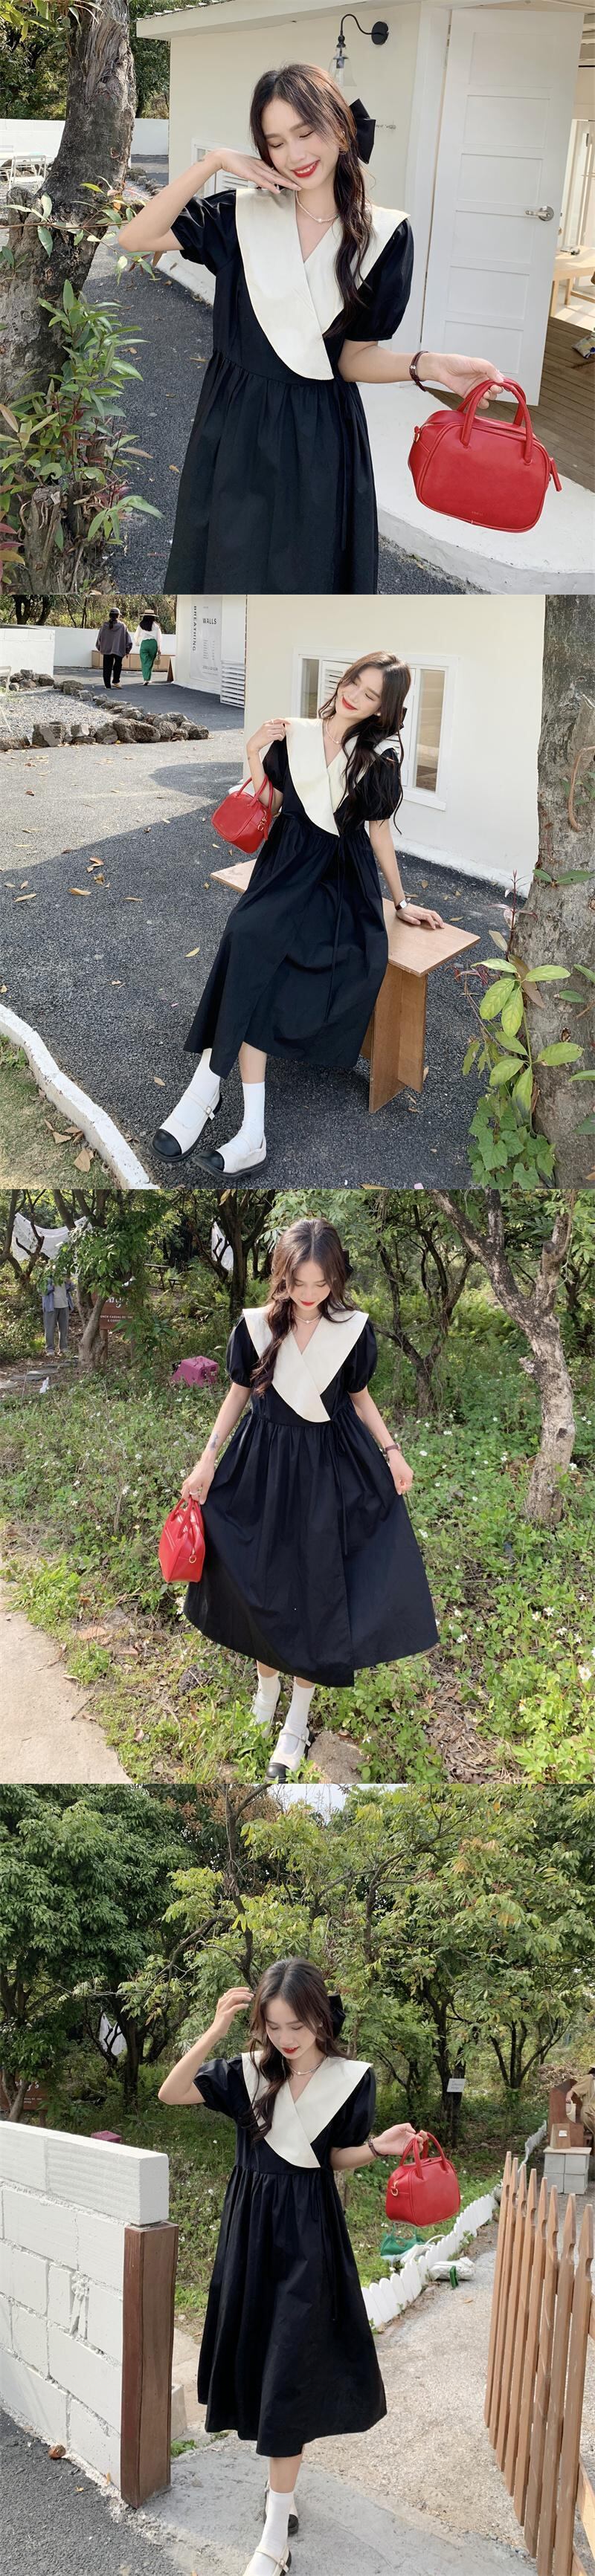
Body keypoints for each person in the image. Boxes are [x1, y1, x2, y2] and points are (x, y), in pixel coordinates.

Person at [118, 62, 504, 595]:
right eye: (276, 142)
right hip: (235, 421)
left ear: (342, 130)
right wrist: (214, 163)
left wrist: (429, 366)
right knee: (227, 569)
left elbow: (353, 358)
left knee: (307, 576)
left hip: (320, 431)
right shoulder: (240, 216)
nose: (294, 154)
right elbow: (135, 238)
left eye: (306, 132)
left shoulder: (384, 235)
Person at [158, 1956, 417, 2576]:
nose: (285, 2038)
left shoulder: (351, 2080)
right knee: (261, 2362)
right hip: (250, 2233)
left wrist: (376, 2147)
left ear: (321, 2016)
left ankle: (275, 2536)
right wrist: (216, 2029)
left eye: (296, 2025)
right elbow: (171, 2092)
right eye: (273, 2026)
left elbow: (330, 2156)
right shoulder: (249, 2072)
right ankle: (284, 2493)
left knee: (291, 2369)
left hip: (309, 2238)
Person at [152, 652, 445, 1174]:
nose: (355, 695)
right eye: (355, 681)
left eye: (371, 695)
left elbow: (378, 833)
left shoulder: (377, 759)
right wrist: (252, 751)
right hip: (285, 865)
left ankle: (211, 1096)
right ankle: (239, 1120)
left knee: (264, 959)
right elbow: (270, 805)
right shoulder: (295, 735)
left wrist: (401, 903)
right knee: (247, 934)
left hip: (339, 881)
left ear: (383, 709)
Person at [177, 1216, 438, 1780]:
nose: (311, 1294)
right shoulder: (255, 1327)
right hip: (263, 1468)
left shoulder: (352, 1330)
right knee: (261, 1581)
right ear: (282, 1275)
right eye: (300, 1283)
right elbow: (238, 1394)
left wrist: (393, 1452)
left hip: (328, 1471)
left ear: (336, 1277)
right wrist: (207, 1458)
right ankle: (265, 1693)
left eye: (322, 1283)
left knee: (315, 1591)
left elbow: (359, 1397)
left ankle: (296, 1722)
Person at [95, 609, 133, 689]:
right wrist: (127, 650)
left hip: (107, 650)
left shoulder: (105, 625)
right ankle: (116, 681)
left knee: (107, 667)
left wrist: (100, 648)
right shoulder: (122, 626)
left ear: (110, 615)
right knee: (118, 666)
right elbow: (128, 639)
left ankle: (107, 685)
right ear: (118, 616)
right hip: (119, 649)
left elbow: (100, 638)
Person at [41, 1275, 72, 1357]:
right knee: (50, 1328)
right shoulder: (46, 1277)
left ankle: (63, 1348)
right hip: (51, 1306)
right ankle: (50, 1349)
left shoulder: (64, 1275)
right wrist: (52, 1286)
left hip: (64, 1305)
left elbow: (72, 1288)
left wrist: (69, 1282)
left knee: (64, 1329)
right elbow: (42, 1291)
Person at [132, 609, 163, 685]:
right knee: (150, 662)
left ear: (145, 616)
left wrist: (137, 642)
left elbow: (136, 635)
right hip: (153, 644)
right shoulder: (156, 626)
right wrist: (159, 648)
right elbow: (159, 638)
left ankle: (146, 679)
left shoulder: (141, 625)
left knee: (144, 662)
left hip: (144, 644)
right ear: (153, 617)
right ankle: (148, 679)